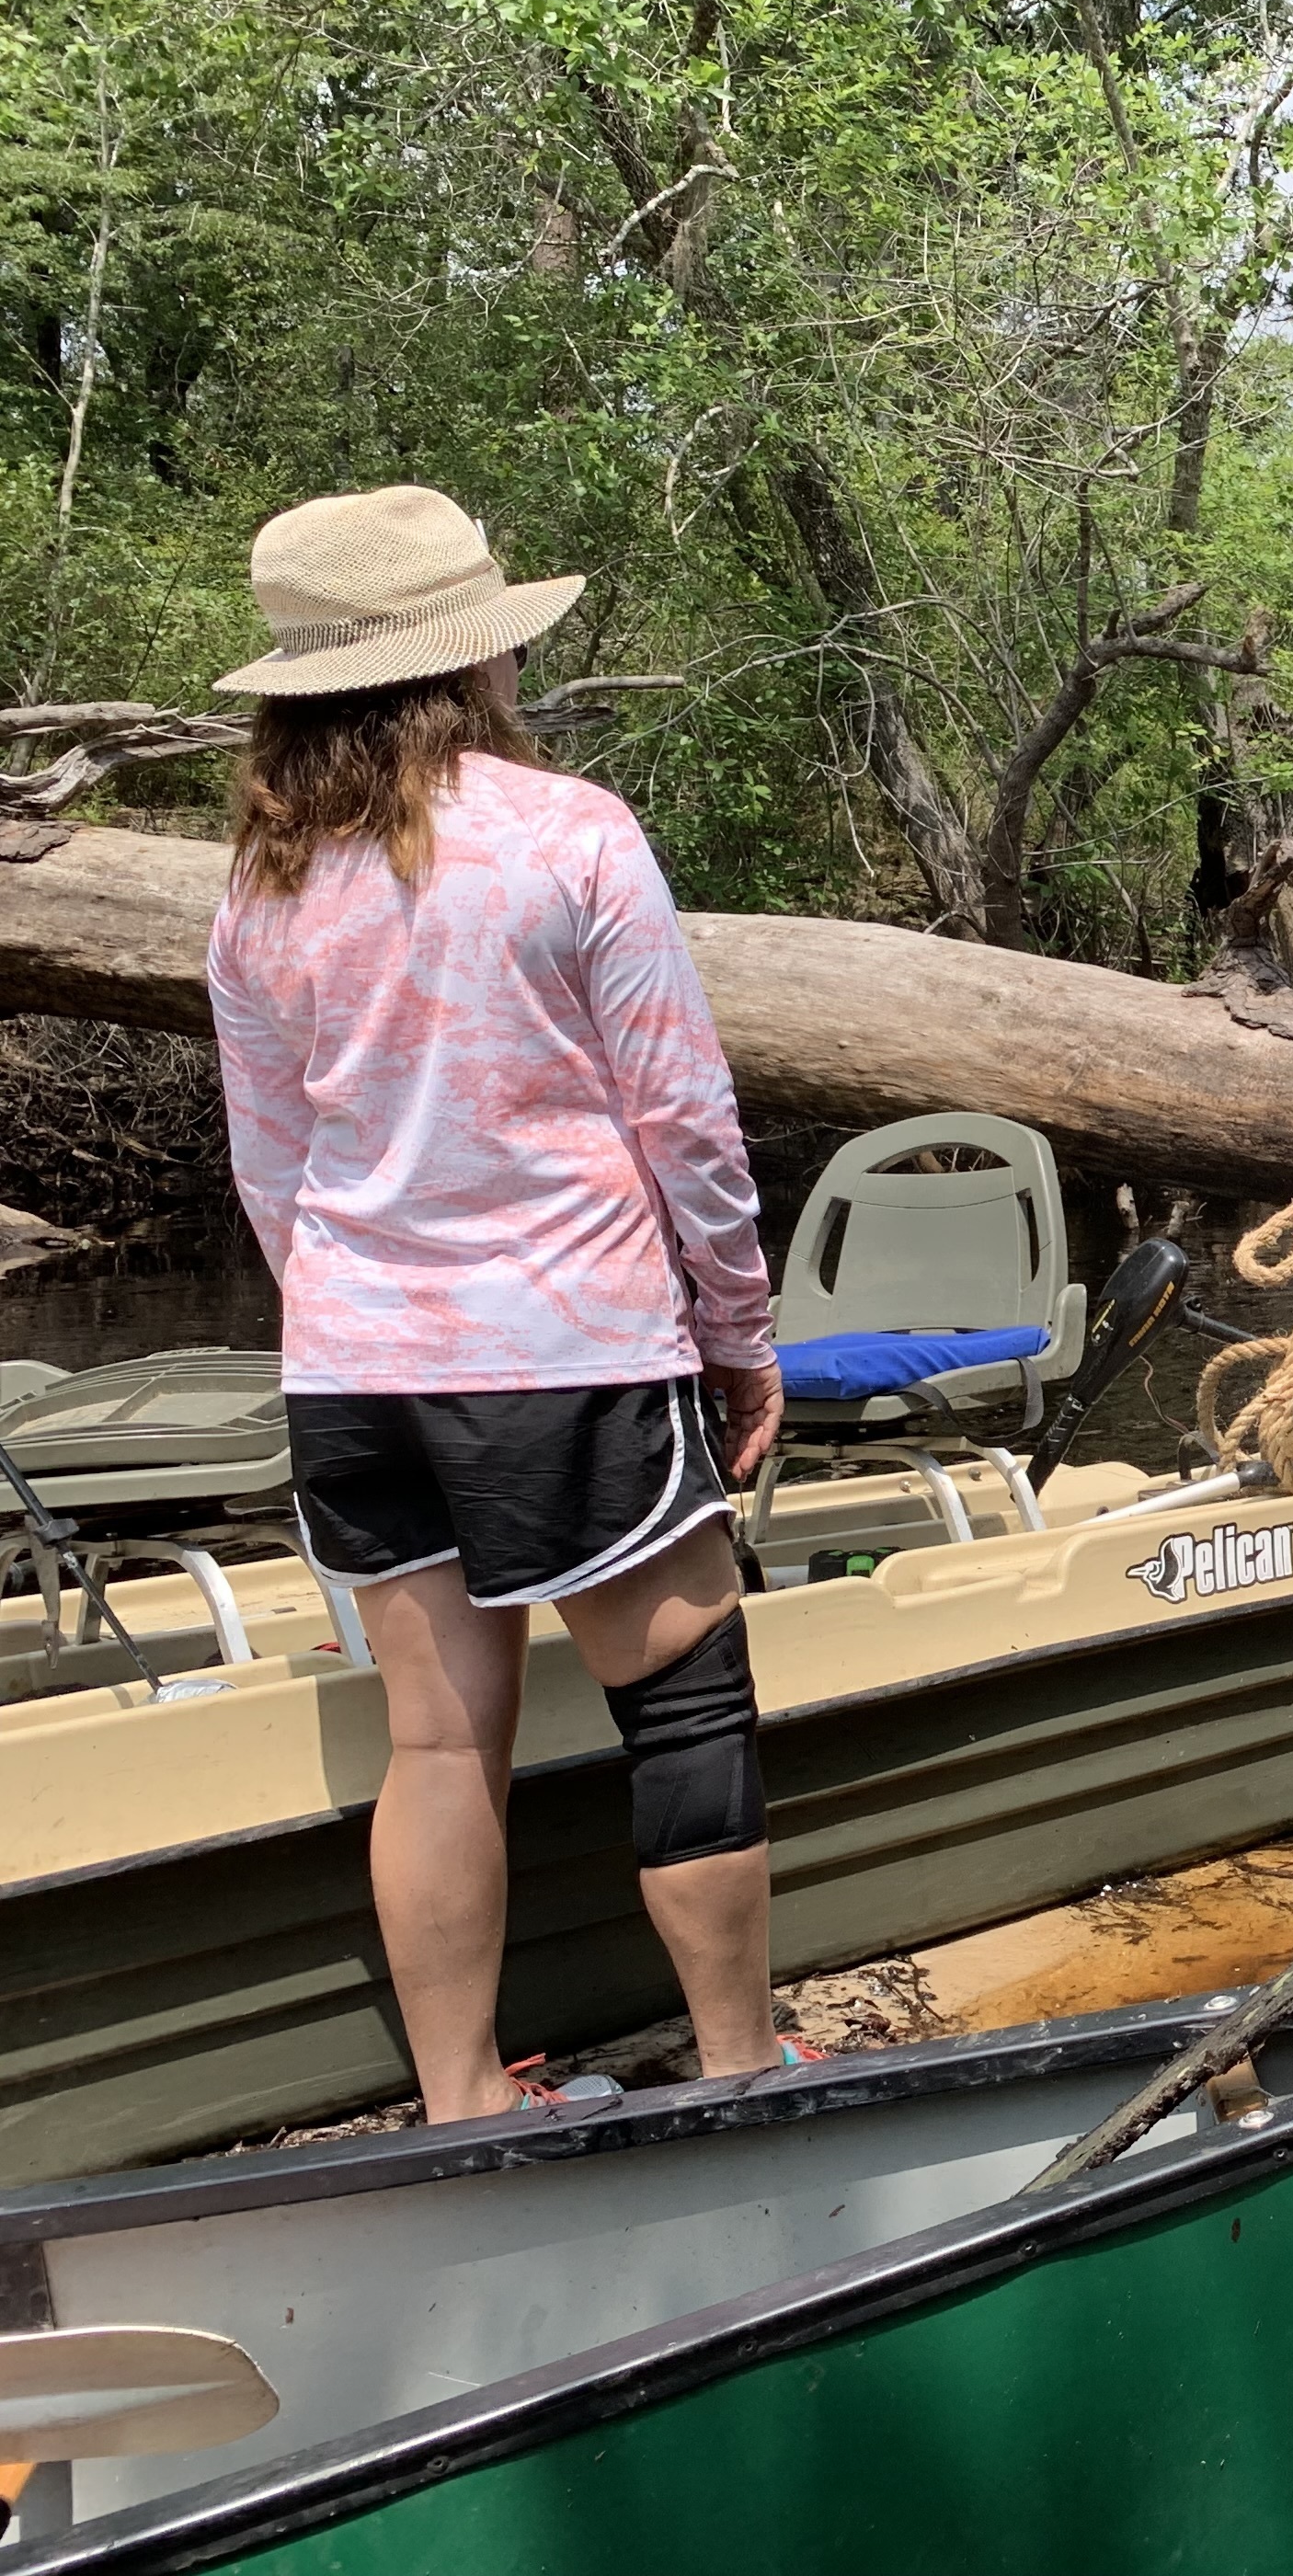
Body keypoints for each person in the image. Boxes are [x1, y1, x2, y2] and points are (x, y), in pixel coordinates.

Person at [205, 484, 791, 2123]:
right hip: (569, 1344)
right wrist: (739, 1328)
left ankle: (465, 2098)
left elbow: (274, 1167)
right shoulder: (568, 830)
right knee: (681, 1706)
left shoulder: (256, 883)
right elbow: (683, 1112)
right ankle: (741, 2064)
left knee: (440, 1746)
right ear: (472, 660)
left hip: (354, 1362)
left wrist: (346, 1318)